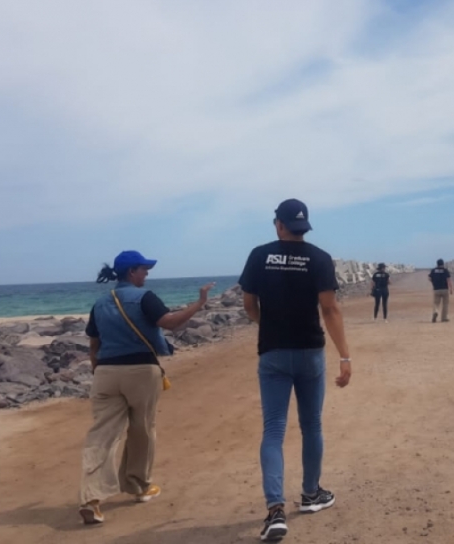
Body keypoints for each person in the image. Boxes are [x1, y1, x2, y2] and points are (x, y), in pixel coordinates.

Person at [240, 199, 352, 542]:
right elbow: (330, 309)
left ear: (279, 224)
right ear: (304, 225)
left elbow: (249, 304)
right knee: (311, 425)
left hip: (273, 352)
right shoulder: (319, 258)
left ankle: (275, 510)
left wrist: (268, 325)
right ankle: (311, 493)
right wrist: (345, 357)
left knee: (273, 429)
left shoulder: (260, 255)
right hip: (310, 352)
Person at [77, 250, 214, 526]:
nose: (147, 274)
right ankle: (138, 486)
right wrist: (199, 303)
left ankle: (91, 498)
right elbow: (171, 323)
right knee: (142, 428)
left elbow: (94, 344)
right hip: (141, 371)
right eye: (143, 269)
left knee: (101, 435)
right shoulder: (144, 297)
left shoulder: (101, 303)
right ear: (131, 272)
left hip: (105, 372)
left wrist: (98, 371)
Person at [429, 259, 453, 323]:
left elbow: (429, 278)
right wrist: (451, 289)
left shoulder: (433, 270)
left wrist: (434, 282)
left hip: (436, 289)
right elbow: (448, 280)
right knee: (445, 304)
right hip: (445, 289)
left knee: (436, 303)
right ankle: (444, 318)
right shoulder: (445, 271)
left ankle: (436, 312)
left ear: (437, 264)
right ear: (443, 264)